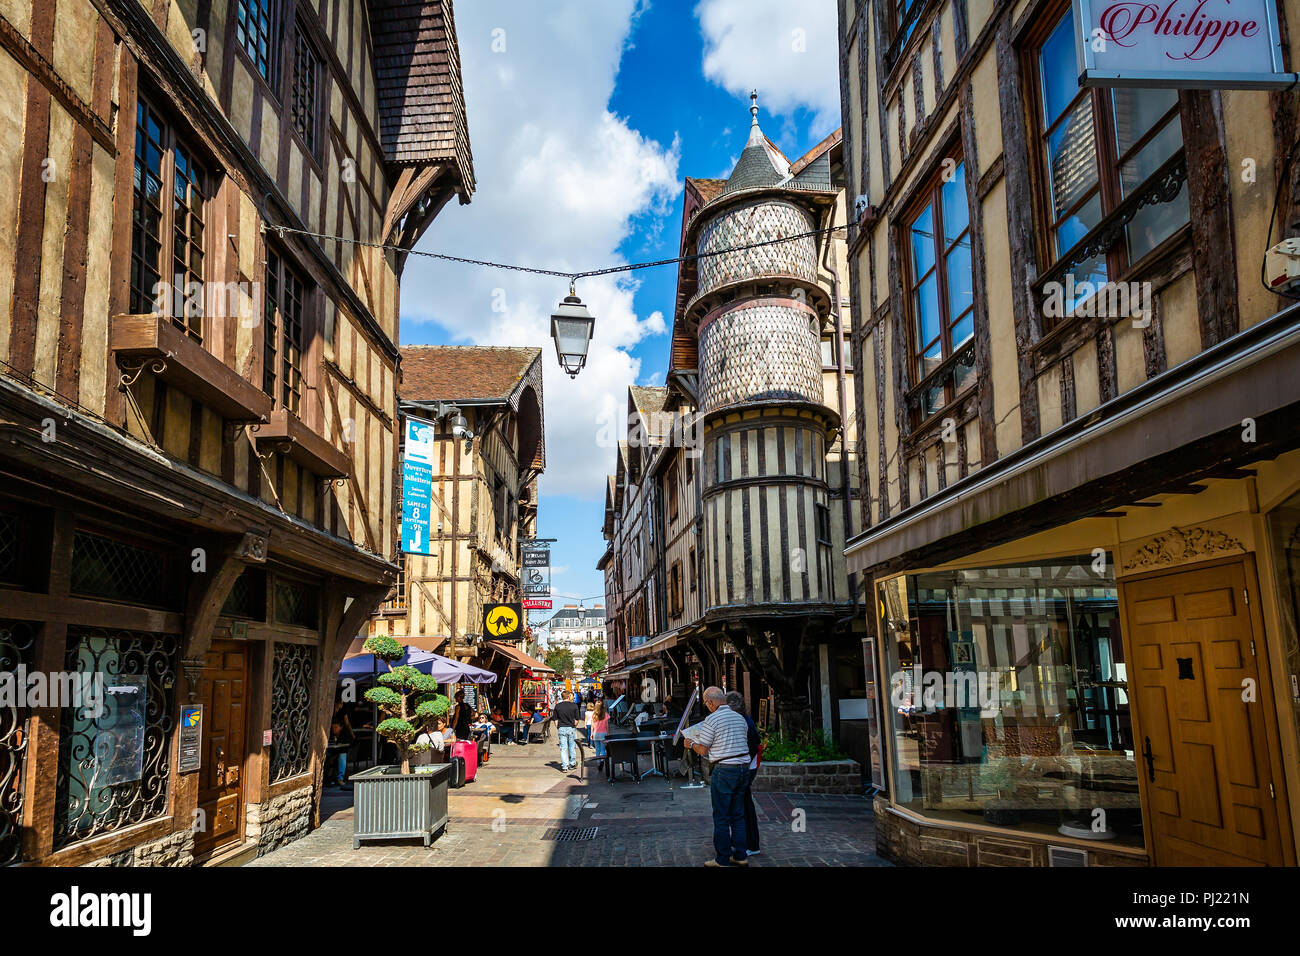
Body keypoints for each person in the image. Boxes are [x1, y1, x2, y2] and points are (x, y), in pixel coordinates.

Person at [682, 686, 751, 866]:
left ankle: (722, 858)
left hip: (725, 769)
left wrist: (690, 744)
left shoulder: (711, 720)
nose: (707, 706)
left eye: (706, 703)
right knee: (738, 814)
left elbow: (703, 749)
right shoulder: (740, 718)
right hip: (744, 768)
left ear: (711, 702)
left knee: (721, 816)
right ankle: (741, 856)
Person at [726, 691, 761, 858]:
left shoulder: (744, 722)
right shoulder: (743, 720)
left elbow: (754, 743)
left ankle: (751, 843)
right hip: (746, 766)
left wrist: (744, 763)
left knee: (745, 805)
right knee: (742, 804)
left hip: (747, 767)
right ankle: (741, 840)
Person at [552, 690, 581, 773]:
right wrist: (574, 725)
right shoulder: (574, 706)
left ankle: (565, 766)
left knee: (563, 748)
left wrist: (558, 726)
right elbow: (577, 719)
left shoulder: (557, 706)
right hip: (571, 728)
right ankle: (572, 763)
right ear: (569, 696)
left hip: (561, 728)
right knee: (572, 747)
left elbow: (555, 719)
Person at [329, 700, 354, 789]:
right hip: (331, 752)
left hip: (341, 751)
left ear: (340, 727)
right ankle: (328, 779)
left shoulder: (345, 734)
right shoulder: (330, 734)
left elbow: (346, 746)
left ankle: (340, 778)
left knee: (342, 756)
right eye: (333, 727)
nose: (334, 729)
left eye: (336, 727)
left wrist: (352, 734)